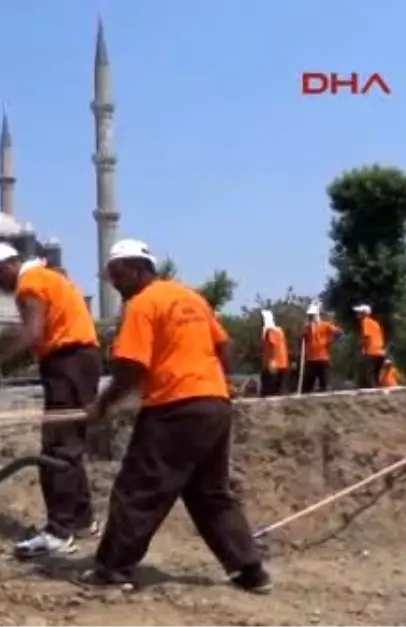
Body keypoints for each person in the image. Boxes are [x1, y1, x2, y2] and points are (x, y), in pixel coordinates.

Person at [81, 239, 272, 594]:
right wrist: (220, 382)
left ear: (138, 269)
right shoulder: (191, 298)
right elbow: (224, 345)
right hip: (214, 404)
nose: (114, 283)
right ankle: (250, 571)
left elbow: (131, 366)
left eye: (118, 275)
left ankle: (113, 569)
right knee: (210, 492)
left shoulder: (142, 304)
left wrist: (103, 404)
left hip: (175, 407)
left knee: (138, 489)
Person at [0, 242, 102, 558]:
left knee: (57, 447)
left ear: (9, 264)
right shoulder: (50, 277)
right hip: (83, 360)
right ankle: (83, 521)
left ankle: (59, 532)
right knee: (70, 443)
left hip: (67, 362)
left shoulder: (30, 284)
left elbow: (32, 333)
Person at [300, 303, 341, 393]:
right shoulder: (307, 327)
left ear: (317, 315)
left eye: (312, 316)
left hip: (323, 357)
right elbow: (303, 337)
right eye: (309, 316)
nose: (311, 317)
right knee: (307, 385)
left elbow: (337, 332)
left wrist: (329, 341)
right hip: (311, 358)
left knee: (325, 382)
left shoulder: (325, 325)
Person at [353, 304, 385, 388]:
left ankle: (372, 395)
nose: (357, 314)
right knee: (376, 377)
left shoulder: (365, 321)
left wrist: (362, 347)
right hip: (380, 353)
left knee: (369, 377)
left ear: (364, 313)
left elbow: (366, 337)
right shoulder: (375, 323)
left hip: (371, 352)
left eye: (359, 312)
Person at [259, 310, 289, 397]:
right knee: (280, 390)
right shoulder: (279, 330)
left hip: (273, 365)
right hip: (282, 363)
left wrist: (272, 361)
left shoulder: (270, 332)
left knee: (268, 390)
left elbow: (272, 345)